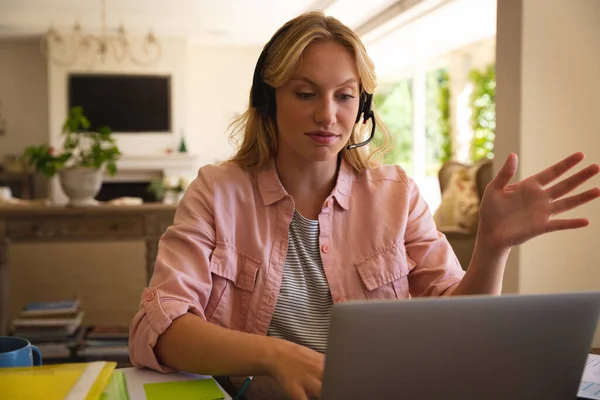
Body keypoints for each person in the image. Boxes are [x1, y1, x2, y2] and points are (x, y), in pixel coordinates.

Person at [128, 11, 600, 400]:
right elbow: (161, 326)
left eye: (345, 96)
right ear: (269, 102)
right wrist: (275, 354)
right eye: (305, 92)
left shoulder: (396, 195)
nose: (327, 114)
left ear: (363, 107)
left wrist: (492, 246)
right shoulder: (216, 192)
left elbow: (459, 325)